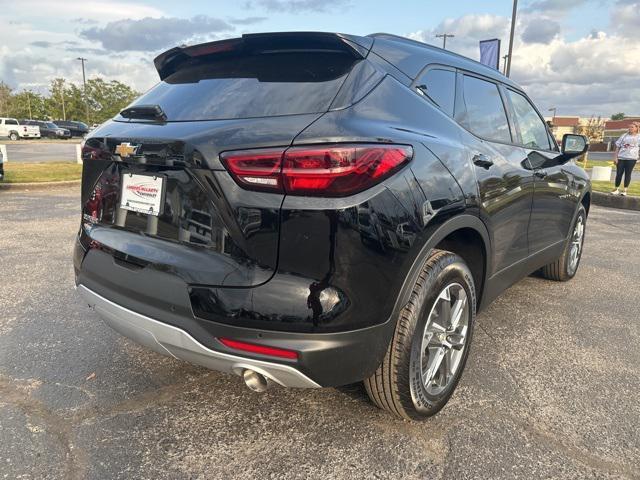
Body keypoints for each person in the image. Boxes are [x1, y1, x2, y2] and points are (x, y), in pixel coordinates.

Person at [612, 122, 640, 196]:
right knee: (619, 174)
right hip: (621, 158)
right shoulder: (624, 136)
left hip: (632, 159)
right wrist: (615, 157)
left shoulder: (639, 137)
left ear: (637, 128)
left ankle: (625, 190)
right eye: (629, 127)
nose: (630, 128)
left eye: (632, 127)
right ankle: (616, 189)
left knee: (628, 174)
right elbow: (618, 147)